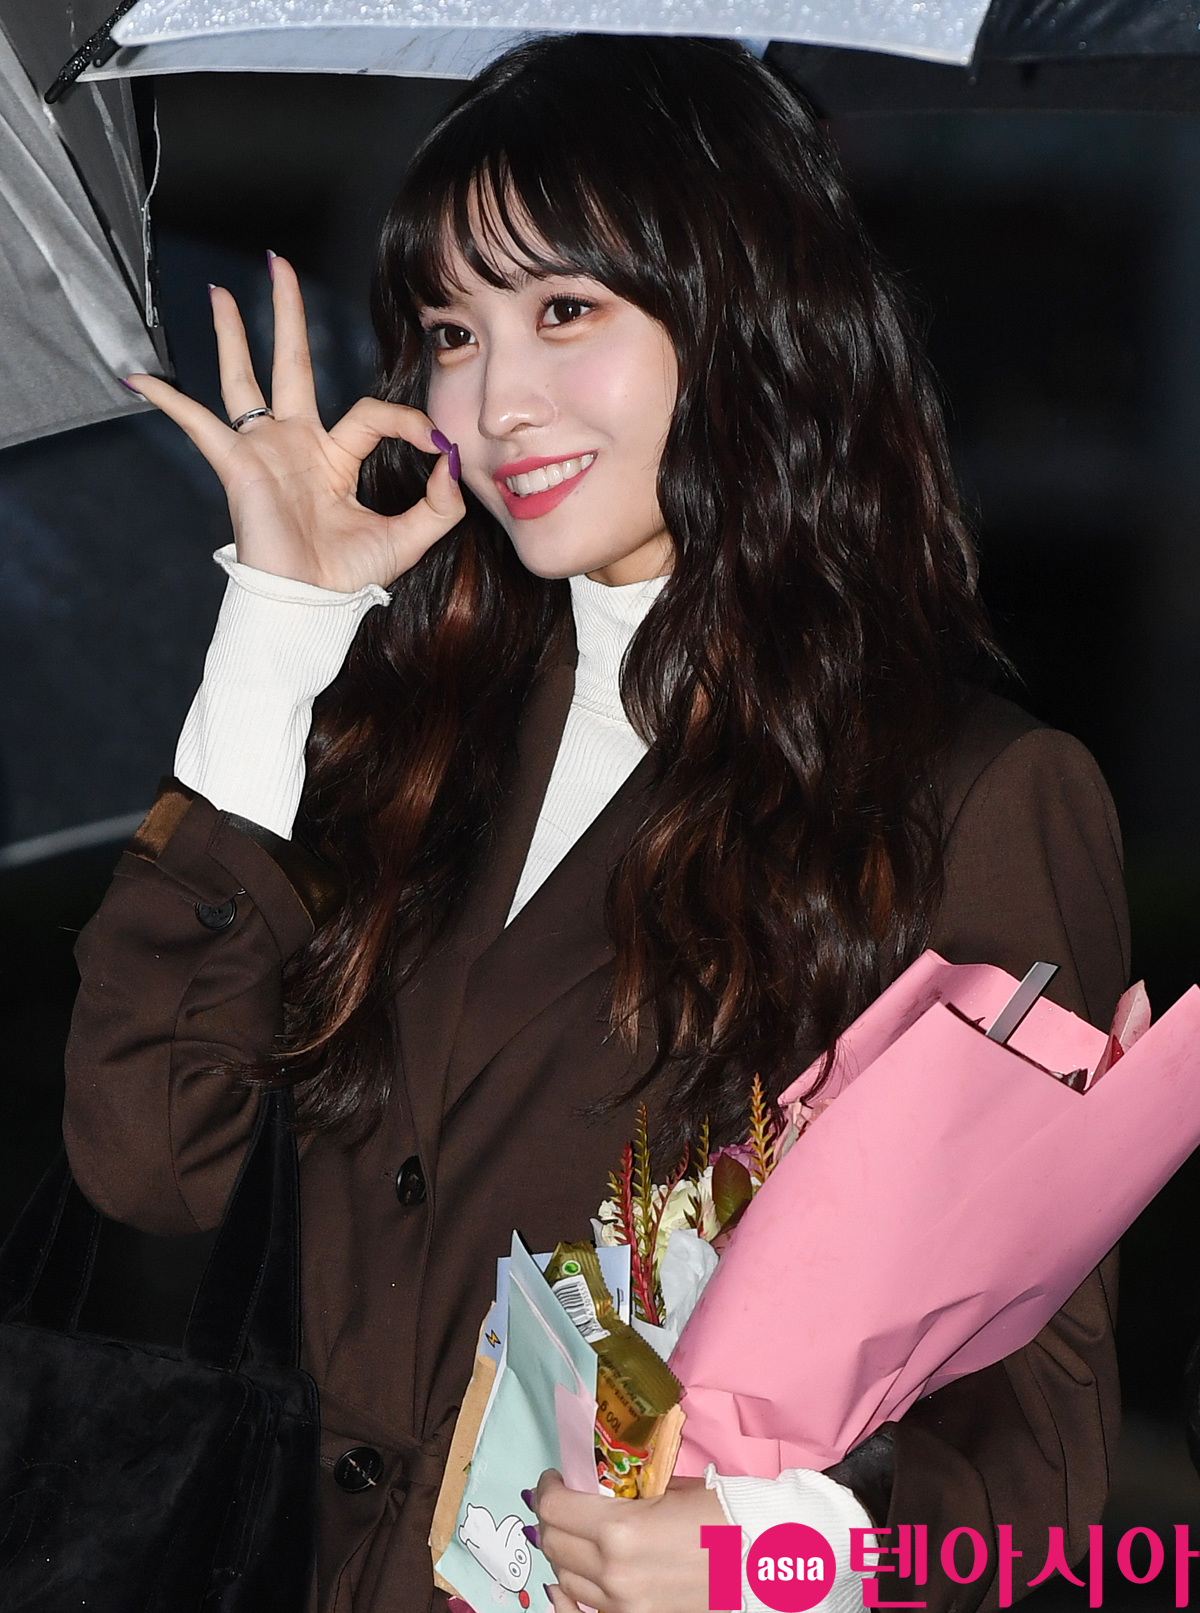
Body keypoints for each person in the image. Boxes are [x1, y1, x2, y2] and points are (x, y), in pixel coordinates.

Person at [64, 34, 1128, 1613]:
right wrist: (277, 629)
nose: (496, 400)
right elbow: (150, 1157)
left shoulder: (966, 793)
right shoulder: (397, 739)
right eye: (452, 331)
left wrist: (783, 1551)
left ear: (742, 312)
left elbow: (1044, 1472)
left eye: (566, 310)